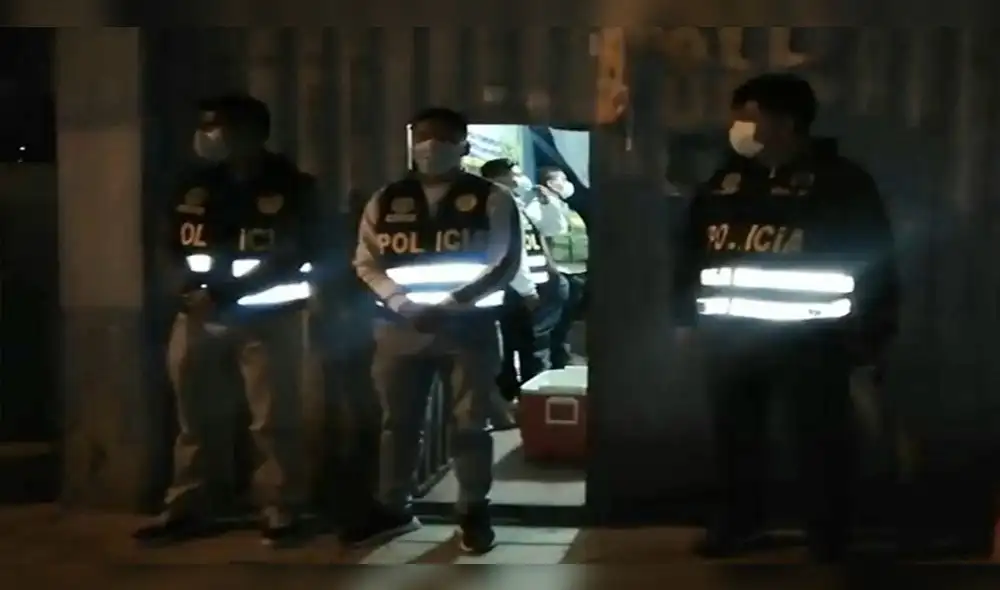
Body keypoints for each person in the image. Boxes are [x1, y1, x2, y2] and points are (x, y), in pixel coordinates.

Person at [672, 73, 899, 561]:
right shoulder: (726, 180)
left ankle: (828, 535)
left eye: (748, 117)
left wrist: (870, 339)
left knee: (820, 440)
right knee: (736, 439)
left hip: (812, 339)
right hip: (731, 338)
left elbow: (879, 261)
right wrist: (685, 319)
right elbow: (690, 251)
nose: (737, 128)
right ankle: (738, 525)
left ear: (786, 122)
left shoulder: (840, 182)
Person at [134, 94, 320, 547]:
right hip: (196, 318)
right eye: (204, 126)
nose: (207, 136)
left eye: (217, 127)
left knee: (272, 419)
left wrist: (223, 294)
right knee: (194, 418)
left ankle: (279, 508)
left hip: (267, 318)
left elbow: (297, 253)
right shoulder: (193, 185)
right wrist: (182, 291)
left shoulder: (293, 186)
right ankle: (187, 507)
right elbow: (171, 246)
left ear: (252, 133)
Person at [345, 107, 521, 554]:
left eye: (443, 137)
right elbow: (365, 260)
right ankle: (393, 508)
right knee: (398, 424)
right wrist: (403, 303)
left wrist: (449, 306)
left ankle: (473, 509)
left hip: (469, 328)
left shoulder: (491, 198)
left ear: (463, 144)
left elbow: (503, 264)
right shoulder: (386, 199)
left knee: (470, 425)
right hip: (398, 328)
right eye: (424, 136)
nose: (431, 146)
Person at [480, 158, 570, 404]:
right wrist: (527, 290)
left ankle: (528, 402)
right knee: (519, 351)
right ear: (498, 177)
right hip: (514, 291)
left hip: (536, 289)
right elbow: (511, 253)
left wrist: (548, 201)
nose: (520, 179)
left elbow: (554, 228)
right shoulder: (492, 206)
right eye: (515, 174)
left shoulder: (519, 203)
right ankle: (528, 402)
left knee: (533, 347)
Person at [539, 166, 588, 368]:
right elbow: (543, 237)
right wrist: (551, 268)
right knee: (553, 320)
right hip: (559, 271)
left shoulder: (567, 207)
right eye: (563, 179)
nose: (567, 184)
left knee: (566, 320)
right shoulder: (544, 206)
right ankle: (552, 359)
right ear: (551, 183)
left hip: (577, 271)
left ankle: (561, 354)